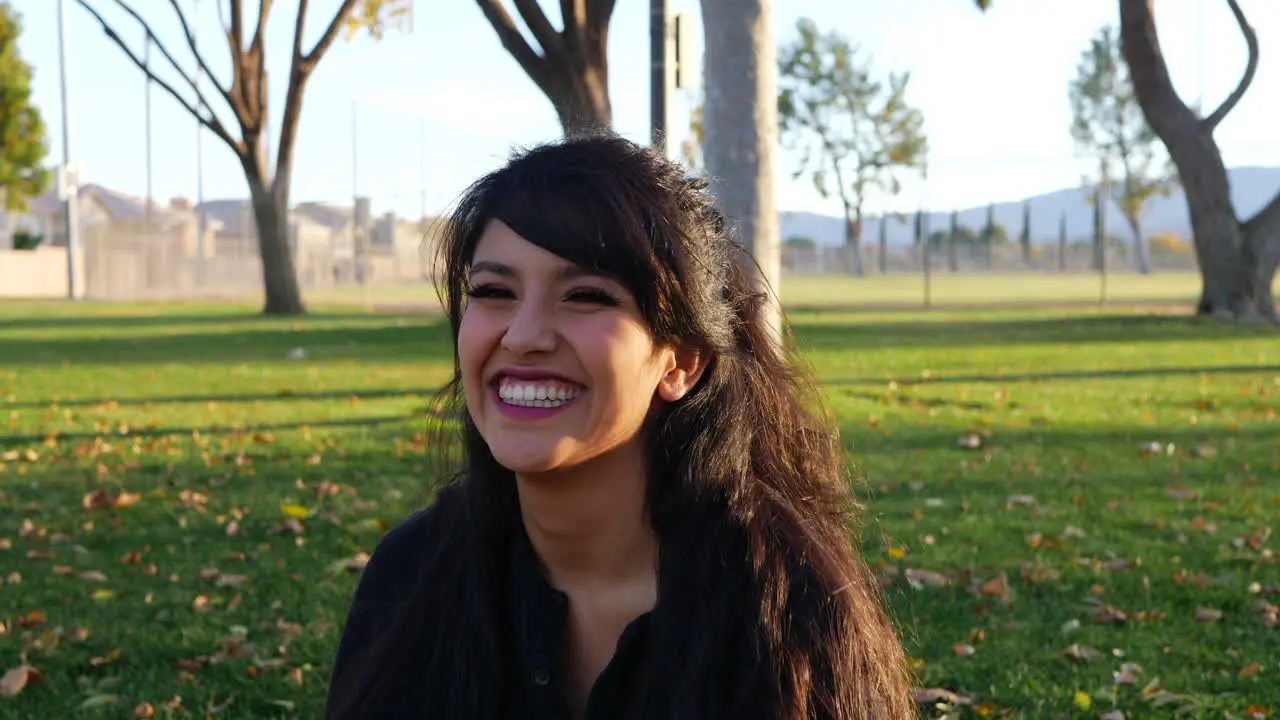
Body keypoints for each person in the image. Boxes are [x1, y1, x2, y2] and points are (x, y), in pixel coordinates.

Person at [324, 134, 914, 719]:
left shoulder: (785, 610)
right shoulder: (412, 574)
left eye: (585, 295)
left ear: (681, 361)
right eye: (493, 291)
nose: (524, 335)